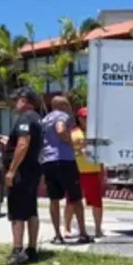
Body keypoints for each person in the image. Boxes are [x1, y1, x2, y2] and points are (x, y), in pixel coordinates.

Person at [3, 87, 44, 265]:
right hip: (33, 169)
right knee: (31, 210)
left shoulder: (25, 118)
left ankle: (17, 250)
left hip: (22, 171)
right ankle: (32, 249)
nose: (15, 103)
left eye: (18, 99)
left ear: (26, 101)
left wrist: (11, 170)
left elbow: (23, 144)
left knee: (17, 213)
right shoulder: (37, 119)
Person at [41, 95, 90, 245]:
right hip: (65, 160)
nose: (70, 108)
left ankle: (57, 235)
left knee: (54, 199)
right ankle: (82, 233)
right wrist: (70, 142)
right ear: (62, 106)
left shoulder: (44, 120)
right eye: (68, 105)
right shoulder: (62, 116)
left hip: (48, 161)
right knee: (75, 197)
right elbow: (61, 129)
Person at [64, 107, 106, 240]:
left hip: (93, 171)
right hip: (76, 171)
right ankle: (67, 228)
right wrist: (78, 151)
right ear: (79, 118)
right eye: (83, 117)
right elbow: (67, 151)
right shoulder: (73, 133)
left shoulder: (97, 134)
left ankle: (98, 229)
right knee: (71, 201)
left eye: (88, 117)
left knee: (96, 202)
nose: (86, 120)